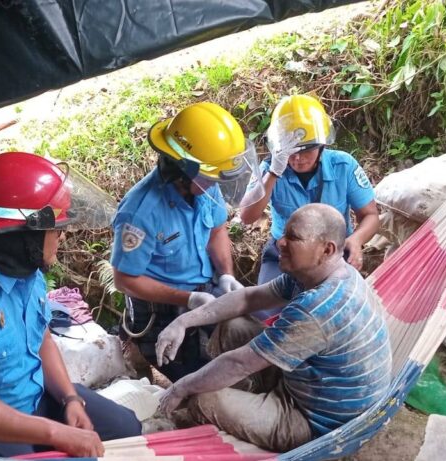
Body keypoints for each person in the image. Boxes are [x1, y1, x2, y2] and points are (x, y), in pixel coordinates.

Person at [0, 152, 141, 461]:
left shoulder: (29, 274)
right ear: (22, 235)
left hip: (32, 400)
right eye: (56, 229)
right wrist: (53, 432)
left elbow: (42, 339)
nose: (62, 236)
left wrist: (70, 398)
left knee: (126, 427)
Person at [155, 203, 392, 452]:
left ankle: (228, 401)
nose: (280, 242)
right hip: (310, 383)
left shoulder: (317, 308)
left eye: (294, 237)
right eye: (284, 234)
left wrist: (181, 387)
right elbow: (249, 298)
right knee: (233, 325)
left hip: (316, 422)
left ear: (327, 249)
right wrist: (184, 320)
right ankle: (240, 391)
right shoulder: (321, 274)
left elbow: (240, 363)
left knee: (203, 398)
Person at [110, 102, 263, 382]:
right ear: (182, 169)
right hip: (162, 310)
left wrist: (226, 274)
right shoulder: (140, 213)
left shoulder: (205, 184)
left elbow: (217, 229)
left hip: (206, 291)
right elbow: (125, 280)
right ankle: (136, 350)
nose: (215, 183)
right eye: (210, 176)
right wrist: (187, 299)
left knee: (252, 350)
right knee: (199, 380)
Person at [239, 95, 378, 319]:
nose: (298, 158)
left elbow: (370, 215)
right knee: (267, 318)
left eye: (307, 150)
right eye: (291, 151)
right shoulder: (269, 170)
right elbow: (247, 216)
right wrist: (274, 172)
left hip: (334, 255)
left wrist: (356, 240)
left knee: (348, 317)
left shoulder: (343, 165)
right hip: (283, 255)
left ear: (321, 146)